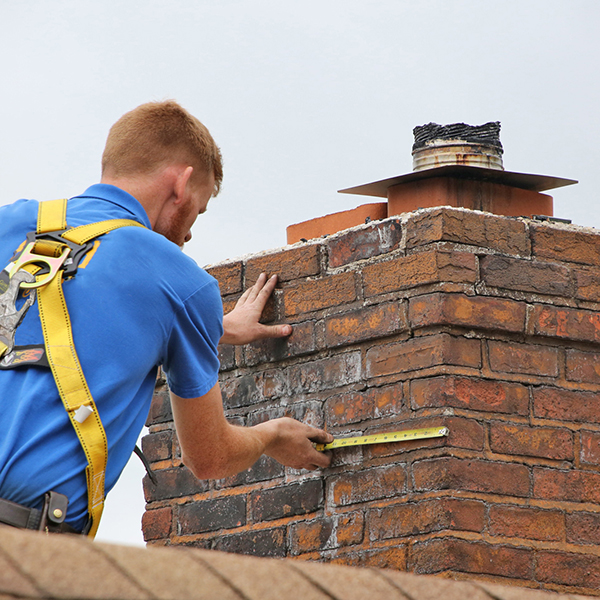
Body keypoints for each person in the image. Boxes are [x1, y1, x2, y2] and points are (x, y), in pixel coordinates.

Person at [0, 100, 333, 536]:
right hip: (22, 546)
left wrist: (220, 327)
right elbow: (209, 457)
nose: (191, 229)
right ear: (182, 182)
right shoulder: (180, 281)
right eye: (199, 207)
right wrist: (272, 435)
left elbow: (57, 304)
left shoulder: (13, 223)